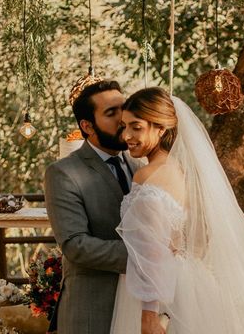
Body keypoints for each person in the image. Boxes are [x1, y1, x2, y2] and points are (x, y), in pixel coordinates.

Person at [111, 87, 244, 334]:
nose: (126, 135)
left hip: (159, 293)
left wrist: (148, 314)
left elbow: (151, 251)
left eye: (136, 127)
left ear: (161, 128)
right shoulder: (183, 171)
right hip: (192, 283)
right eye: (124, 126)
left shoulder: (147, 175)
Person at [44, 80, 143, 334]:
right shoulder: (64, 173)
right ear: (87, 126)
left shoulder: (141, 164)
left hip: (140, 305)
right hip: (93, 310)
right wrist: (144, 256)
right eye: (111, 113)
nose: (123, 118)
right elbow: (75, 245)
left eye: (124, 108)